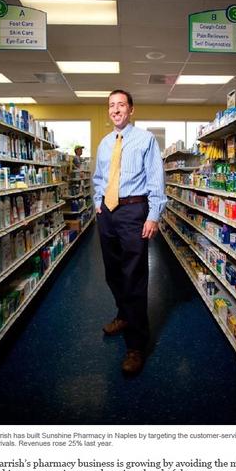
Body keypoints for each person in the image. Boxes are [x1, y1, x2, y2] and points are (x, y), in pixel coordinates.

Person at [93, 90, 167, 375]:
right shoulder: (104, 143)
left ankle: (136, 345)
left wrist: (153, 215)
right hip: (107, 214)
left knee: (134, 275)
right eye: (111, 105)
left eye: (121, 104)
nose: (115, 109)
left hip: (134, 210)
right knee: (113, 271)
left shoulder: (145, 140)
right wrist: (97, 203)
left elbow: (155, 179)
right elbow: (99, 178)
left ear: (131, 109)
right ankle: (124, 314)